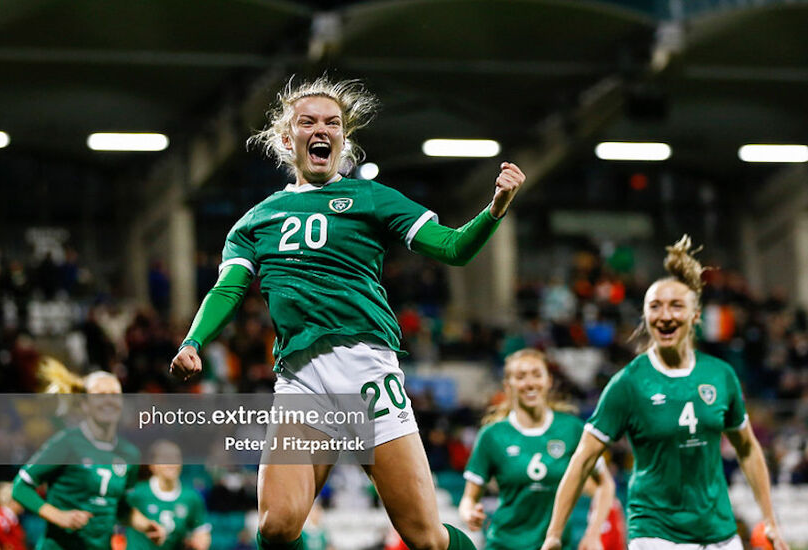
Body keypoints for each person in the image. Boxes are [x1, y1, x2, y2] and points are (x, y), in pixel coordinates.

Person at [170, 75, 526, 550]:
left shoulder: (373, 198)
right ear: (285, 137)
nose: (322, 130)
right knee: (277, 528)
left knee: (428, 541)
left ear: (343, 138)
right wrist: (193, 341)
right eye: (308, 122)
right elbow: (228, 288)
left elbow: (454, 248)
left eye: (333, 123)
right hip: (300, 380)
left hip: (367, 375)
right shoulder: (254, 222)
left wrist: (496, 207)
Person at [542, 236, 789, 550]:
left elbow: (749, 449)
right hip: (656, 534)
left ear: (695, 315)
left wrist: (769, 520)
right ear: (645, 317)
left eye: (676, 305)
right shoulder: (628, 383)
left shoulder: (721, 375)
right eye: (655, 307)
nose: (665, 314)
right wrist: (553, 534)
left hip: (721, 534)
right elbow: (582, 460)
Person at [458, 349, 615, 550]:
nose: (530, 383)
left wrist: (593, 534)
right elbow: (468, 499)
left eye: (536, 374)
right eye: (521, 377)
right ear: (508, 385)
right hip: (504, 545)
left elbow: (605, 484)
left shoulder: (572, 429)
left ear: (549, 380)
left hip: (557, 546)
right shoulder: (492, 435)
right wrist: (469, 513)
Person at [11, 358, 165, 550]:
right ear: (84, 404)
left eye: (114, 394)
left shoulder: (129, 454)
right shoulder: (67, 442)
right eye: (100, 395)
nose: (108, 400)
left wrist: (146, 525)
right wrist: (58, 516)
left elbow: (121, 507)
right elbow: (20, 487)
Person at [126, 440, 211, 550]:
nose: (172, 463)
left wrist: (200, 542)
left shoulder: (191, 498)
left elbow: (201, 531)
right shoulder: (137, 493)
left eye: (176, 458)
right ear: (152, 465)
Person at [0, 482, 27, 550]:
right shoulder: (2, 521)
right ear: (13, 501)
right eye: (21, 499)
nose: (24, 503)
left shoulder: (8, 518)